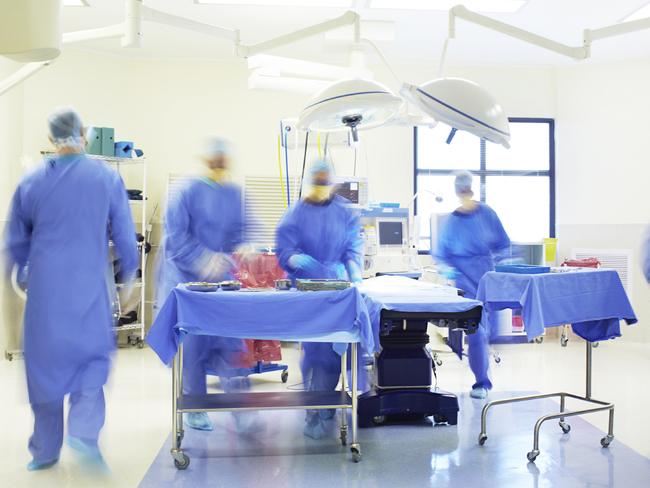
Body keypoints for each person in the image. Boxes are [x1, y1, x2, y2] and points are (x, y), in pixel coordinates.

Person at [3, 108, 139, 471]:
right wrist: (128, 280)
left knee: (45, 372)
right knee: (90, 365)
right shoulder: (105, 179)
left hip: (46, 297)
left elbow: (14, 246)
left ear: (50, 139)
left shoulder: (31, 183)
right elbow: (126, 238)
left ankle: (45, 451)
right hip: (90, 293)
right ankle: (83, 434)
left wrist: (19, 278)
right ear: (85, 134)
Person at [156, 138, 256, 433]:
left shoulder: (235, 193)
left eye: (224, 160)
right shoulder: (184, 192)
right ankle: (195, 407)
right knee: (194, 346)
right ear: (205, 160)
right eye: (216, 160)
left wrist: (246, 245)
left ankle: (239, 406)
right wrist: (202, 259)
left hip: (222, 283)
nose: (220, 165)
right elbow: (175, 238)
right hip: (187, 282)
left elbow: (244, 229)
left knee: (229, 341)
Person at [275, 159, 363, 439]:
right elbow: (284, 249)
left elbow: (352, 246)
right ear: (309, 183)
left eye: (326, 182)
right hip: (307, 289)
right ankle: (312, 410)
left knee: (333, 351)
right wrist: (296, 258)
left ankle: (326, 403)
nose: (322, 187)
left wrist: (354, 270)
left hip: (337, 288)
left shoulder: (344, 212)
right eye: (318, 182)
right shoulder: (296, 213)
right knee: (313, 352)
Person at [435, 170, 511, 400]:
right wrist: (449, 271)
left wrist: (506, 264)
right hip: (465, 282)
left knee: (492, 332)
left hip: (487, 277)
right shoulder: (452, 221)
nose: (465, 194)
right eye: (462, 190)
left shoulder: (487, 213)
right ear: (458, 192)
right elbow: (442, 254)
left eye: (467, 190)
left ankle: (483, 373)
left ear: (471, 190)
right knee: (476, 332)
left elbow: (503, 243)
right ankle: (481, 382)